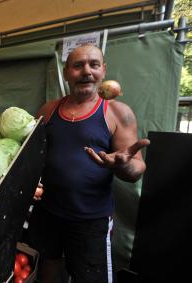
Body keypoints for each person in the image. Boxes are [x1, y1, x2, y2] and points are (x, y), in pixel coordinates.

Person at [27, 44, 150, 283]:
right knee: (46, 267)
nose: (86, 71)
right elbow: (34, 156)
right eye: (78, 65)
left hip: (91, 220)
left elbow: (136, 169)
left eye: (93, 64)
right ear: (66, 73)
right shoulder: (48, 110)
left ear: (103, 70)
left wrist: (122, 164)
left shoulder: (116, 112)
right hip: (48, 211)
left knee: (89, 277)